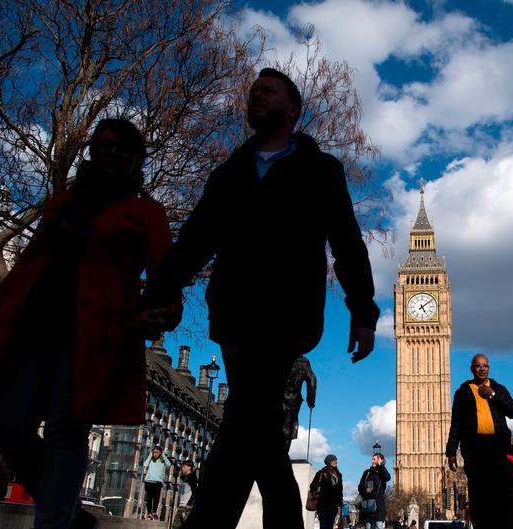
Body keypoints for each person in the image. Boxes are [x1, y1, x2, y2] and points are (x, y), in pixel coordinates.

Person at [139, 67, 380, 529]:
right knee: (257, 429)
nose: (255, 98)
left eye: (267, 92)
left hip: (287, 315)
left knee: (246, 418)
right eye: (252, 94)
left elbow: (348, 244)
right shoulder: (229, 173)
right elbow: (195, 241)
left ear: (293, 109)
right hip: (234, 311)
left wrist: (362, 311)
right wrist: (159, 294)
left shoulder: (321, 170)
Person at [0, 118, 180, 529]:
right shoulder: (63, 202)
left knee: (67, 428)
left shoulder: (146, 212)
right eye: (103, 145)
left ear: (135, 160)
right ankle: (68, 511)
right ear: (92, 152)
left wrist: (163, 311)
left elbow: (165, 272)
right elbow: (31, 258)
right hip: (35, 323)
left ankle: (55, 522)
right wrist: (7, 300)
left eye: (121, 147)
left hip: (93, 334)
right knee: (5, 422)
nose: (111, 152)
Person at [445, 354, 513, 529]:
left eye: (485, 365)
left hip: (499, 447)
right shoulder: (462, 392)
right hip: (474, 449)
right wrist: (451, 451)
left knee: (504, 493)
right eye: (478, 366)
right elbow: (455, 423)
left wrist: (493, 395)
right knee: (479, 496)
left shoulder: (498, 389)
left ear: (489, 368)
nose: (482, 368)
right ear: (472, 368)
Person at [284, 354, 318, 452]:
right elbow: (312, 380)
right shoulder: (303, 362)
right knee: (287, 432)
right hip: (291, 402)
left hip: (290, 402)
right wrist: (311, 400)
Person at [357, 453, 391, 529]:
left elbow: (387, 478)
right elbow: (359, 487)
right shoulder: (367, 472)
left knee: (379, 525)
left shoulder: (382, 473)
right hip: (367, 505)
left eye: (375, 459)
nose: (373, 461)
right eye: (372, 459)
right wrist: (365, 490)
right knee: (368, 526)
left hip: (378, 506)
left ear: (381, 460)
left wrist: (380, 466)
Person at [310, 454, 344, 529]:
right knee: (323, 525)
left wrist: (340, 503)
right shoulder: (321, 473)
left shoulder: (338, 475)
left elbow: (340, 490)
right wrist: (319, 490)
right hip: (323, 505)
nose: (335, 461)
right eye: (333, 460)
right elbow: (312, 486)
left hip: (333, 506)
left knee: (330, 526)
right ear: (328, 462)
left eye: (336, 460)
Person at [143, 446, 171, 519]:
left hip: (158, 482)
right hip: (149, 481)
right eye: (154, 452)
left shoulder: (162, 461)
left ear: (160, 453)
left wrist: (163, 456)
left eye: (157, 452)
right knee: (149, 498)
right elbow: (145, 464)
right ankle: (149, 513)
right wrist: (149, 456)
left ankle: (154, 512)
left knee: (156, 498)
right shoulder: (151, 460)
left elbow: (169, 464)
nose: (155, 454)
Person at [173, 460, 199, 529]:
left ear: (189, 468)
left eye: (184, 467)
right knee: (175, 526)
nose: (182, 468)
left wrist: (189, 504)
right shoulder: (184, 478)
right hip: (182, 505)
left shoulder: (192, 477)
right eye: (182, 467)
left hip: (187, 507)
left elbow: (195, 492)